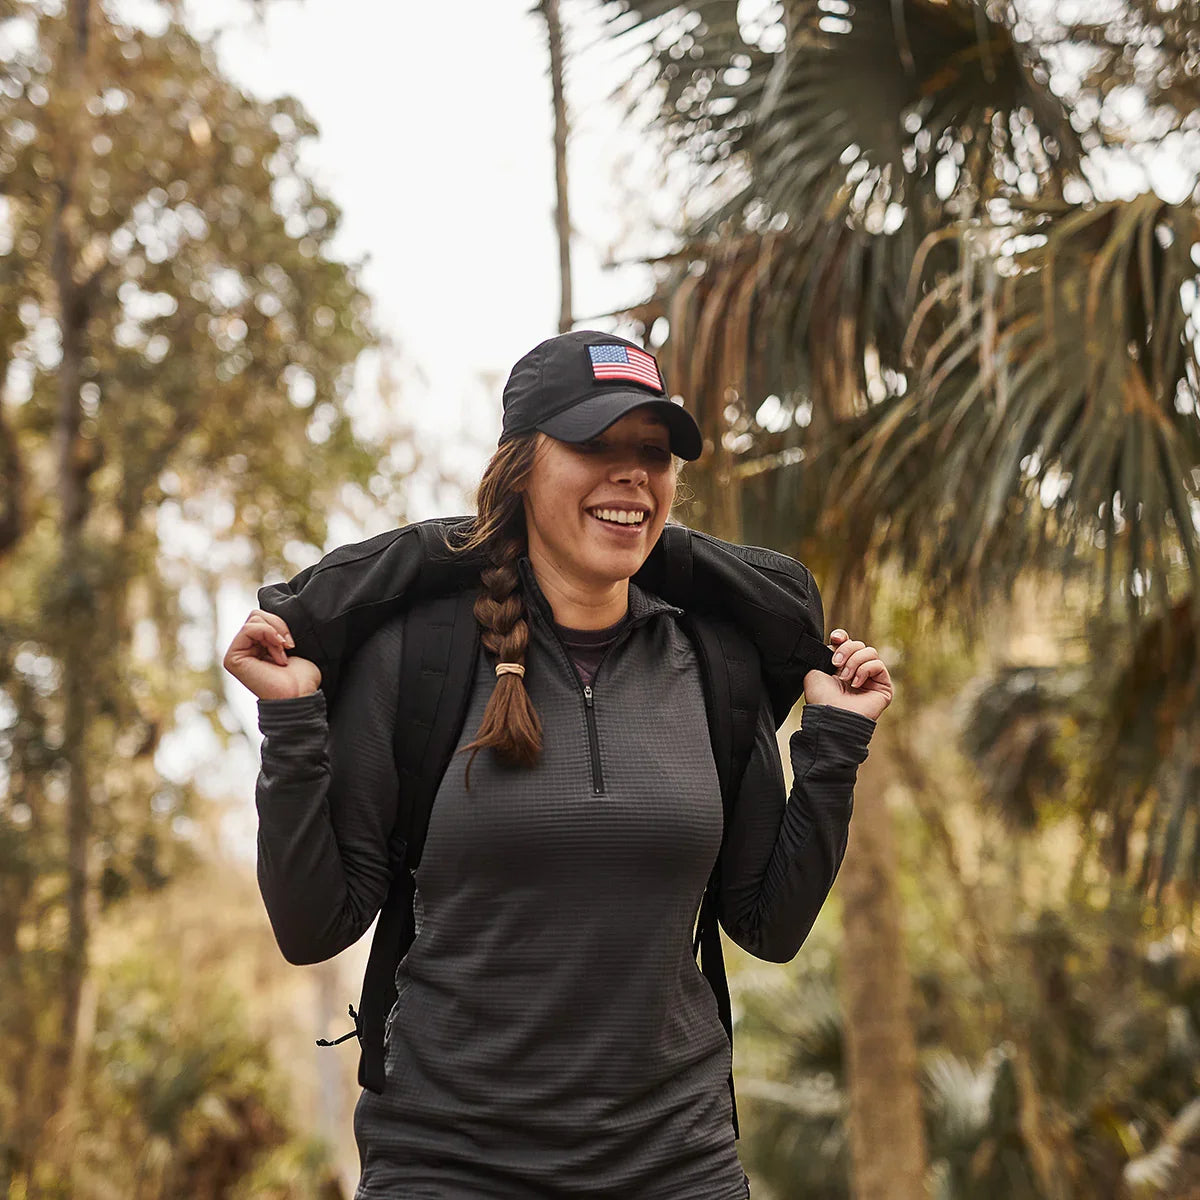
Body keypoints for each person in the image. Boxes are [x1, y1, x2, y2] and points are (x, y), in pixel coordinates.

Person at [223, 330, 893, 1199]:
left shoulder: (713, 661)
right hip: (449, 1166)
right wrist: (291, 719)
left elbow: (770, 923)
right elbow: (315, 925)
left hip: (678, 1165)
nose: (631, 475)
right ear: (520, 469)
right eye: (595, 444)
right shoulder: (418, 657)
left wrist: (835, 743)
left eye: (652, 453)